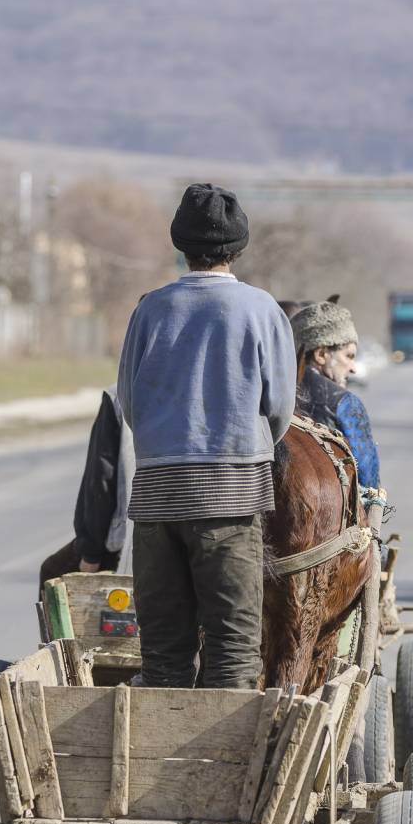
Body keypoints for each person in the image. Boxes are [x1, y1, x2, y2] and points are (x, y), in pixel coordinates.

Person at [118, 183, 297, 689]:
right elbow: (280, 406)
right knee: (233, 651)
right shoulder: (261, 310)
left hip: (157, 499)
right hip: (231, 496)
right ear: (237, 247)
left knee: (164, 654)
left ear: (182, 246)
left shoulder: (150, 308)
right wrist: (251, 444)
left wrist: (164, 446)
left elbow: (128, 401)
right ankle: (220, 763)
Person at [37, 386, 135, 593]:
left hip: (126, 540)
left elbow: (101, 481)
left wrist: (91, 554)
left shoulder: (120, 395)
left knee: (51, 573)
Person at [290, 301, 381, 490]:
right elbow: (368, 478)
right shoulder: (345, 403)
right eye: (349, 356)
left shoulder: (269, 393)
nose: (353, 369)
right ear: (321, 354)